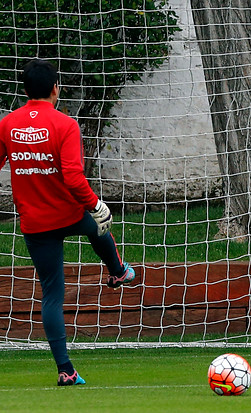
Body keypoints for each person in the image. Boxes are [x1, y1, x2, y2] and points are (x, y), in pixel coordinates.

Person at [0, 59, 136, 386]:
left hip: (35, 223)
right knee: (98, 226)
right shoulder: (65, 124)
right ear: (55, 88)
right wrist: (96, 204)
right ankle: (117, 271)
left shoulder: (7, 125)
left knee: (51, 296)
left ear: (24, 90)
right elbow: (74, 178)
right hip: (70, 214)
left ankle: (66, 370)